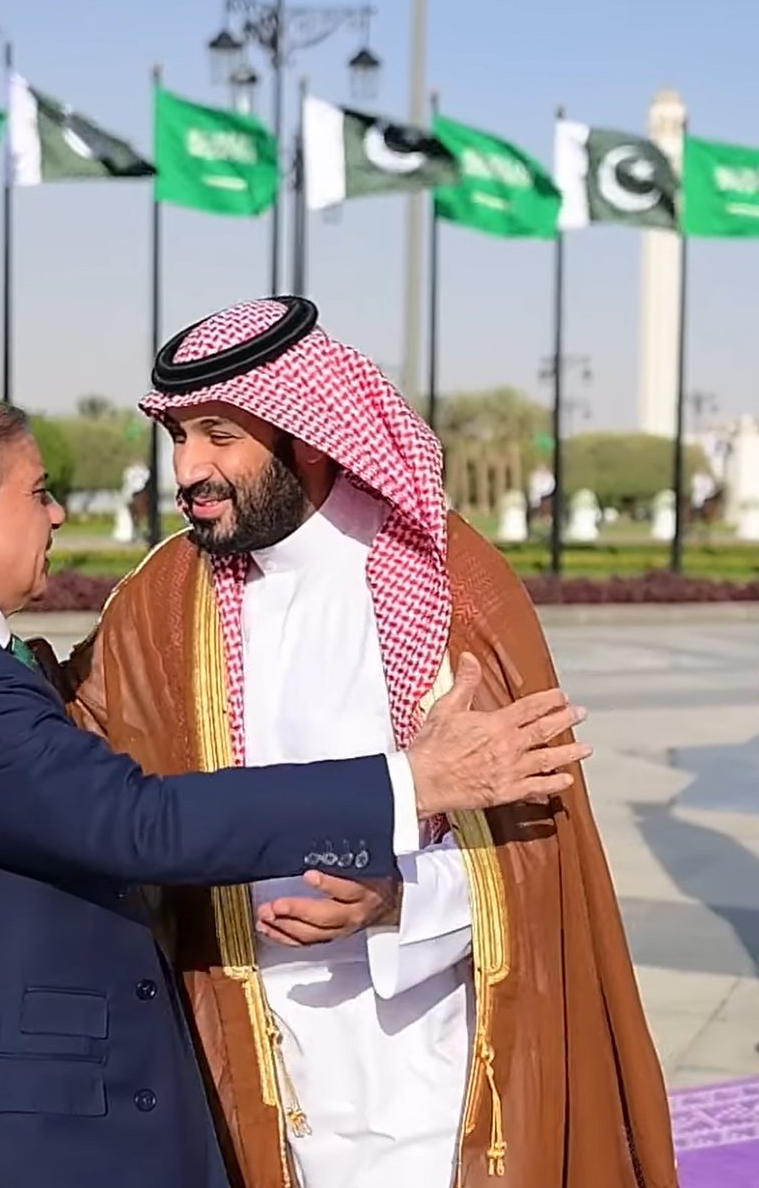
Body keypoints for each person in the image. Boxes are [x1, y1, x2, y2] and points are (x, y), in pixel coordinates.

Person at [0, 397, 586, 1188]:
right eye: (39, 492)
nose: (57, 513)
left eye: (215, 435)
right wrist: (413, 779)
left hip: (403, 1074)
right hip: (2, 1136)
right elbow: (136, 820)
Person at [54, 297, 675, 1188]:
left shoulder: (456, 588)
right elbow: (68, 739)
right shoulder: (165, 600)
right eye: (179, 436)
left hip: (431, 1082)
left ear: (307, 435)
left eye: (219, 435)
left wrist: (397, 903)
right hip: (246, 1067)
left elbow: (538, 864)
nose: (190, 468)